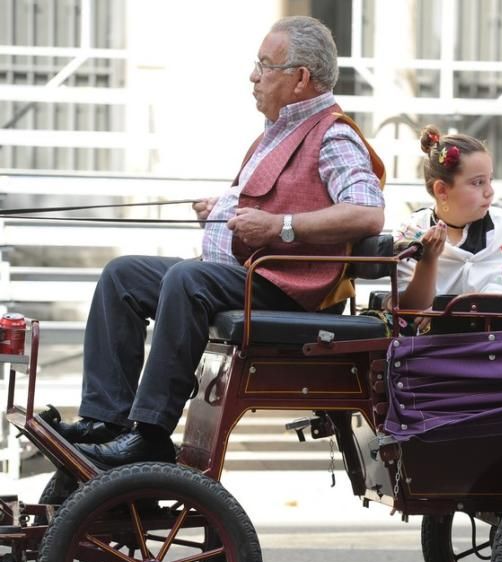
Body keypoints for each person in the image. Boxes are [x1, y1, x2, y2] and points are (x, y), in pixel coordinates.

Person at [49, 16, 385, 469]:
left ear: (301, 78)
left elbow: (368, 212)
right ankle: (106, 420)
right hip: (254, 273)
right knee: (122, 275)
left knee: (190, 280)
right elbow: (274, 196)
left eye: (265, 65)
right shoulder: (280, 129)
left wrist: (280, 226)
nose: (253, 76)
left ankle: (149, 433)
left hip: (290, 288)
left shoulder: (334, 134)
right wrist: (224, 208)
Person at [392, 125, 502, 316]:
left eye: (490, 180)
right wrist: (428, 260)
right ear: (441, 190)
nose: (489, 192)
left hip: (497, 340)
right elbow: (410, 310)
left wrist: (456, 311)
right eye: (477, 182)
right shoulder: (413, 231)